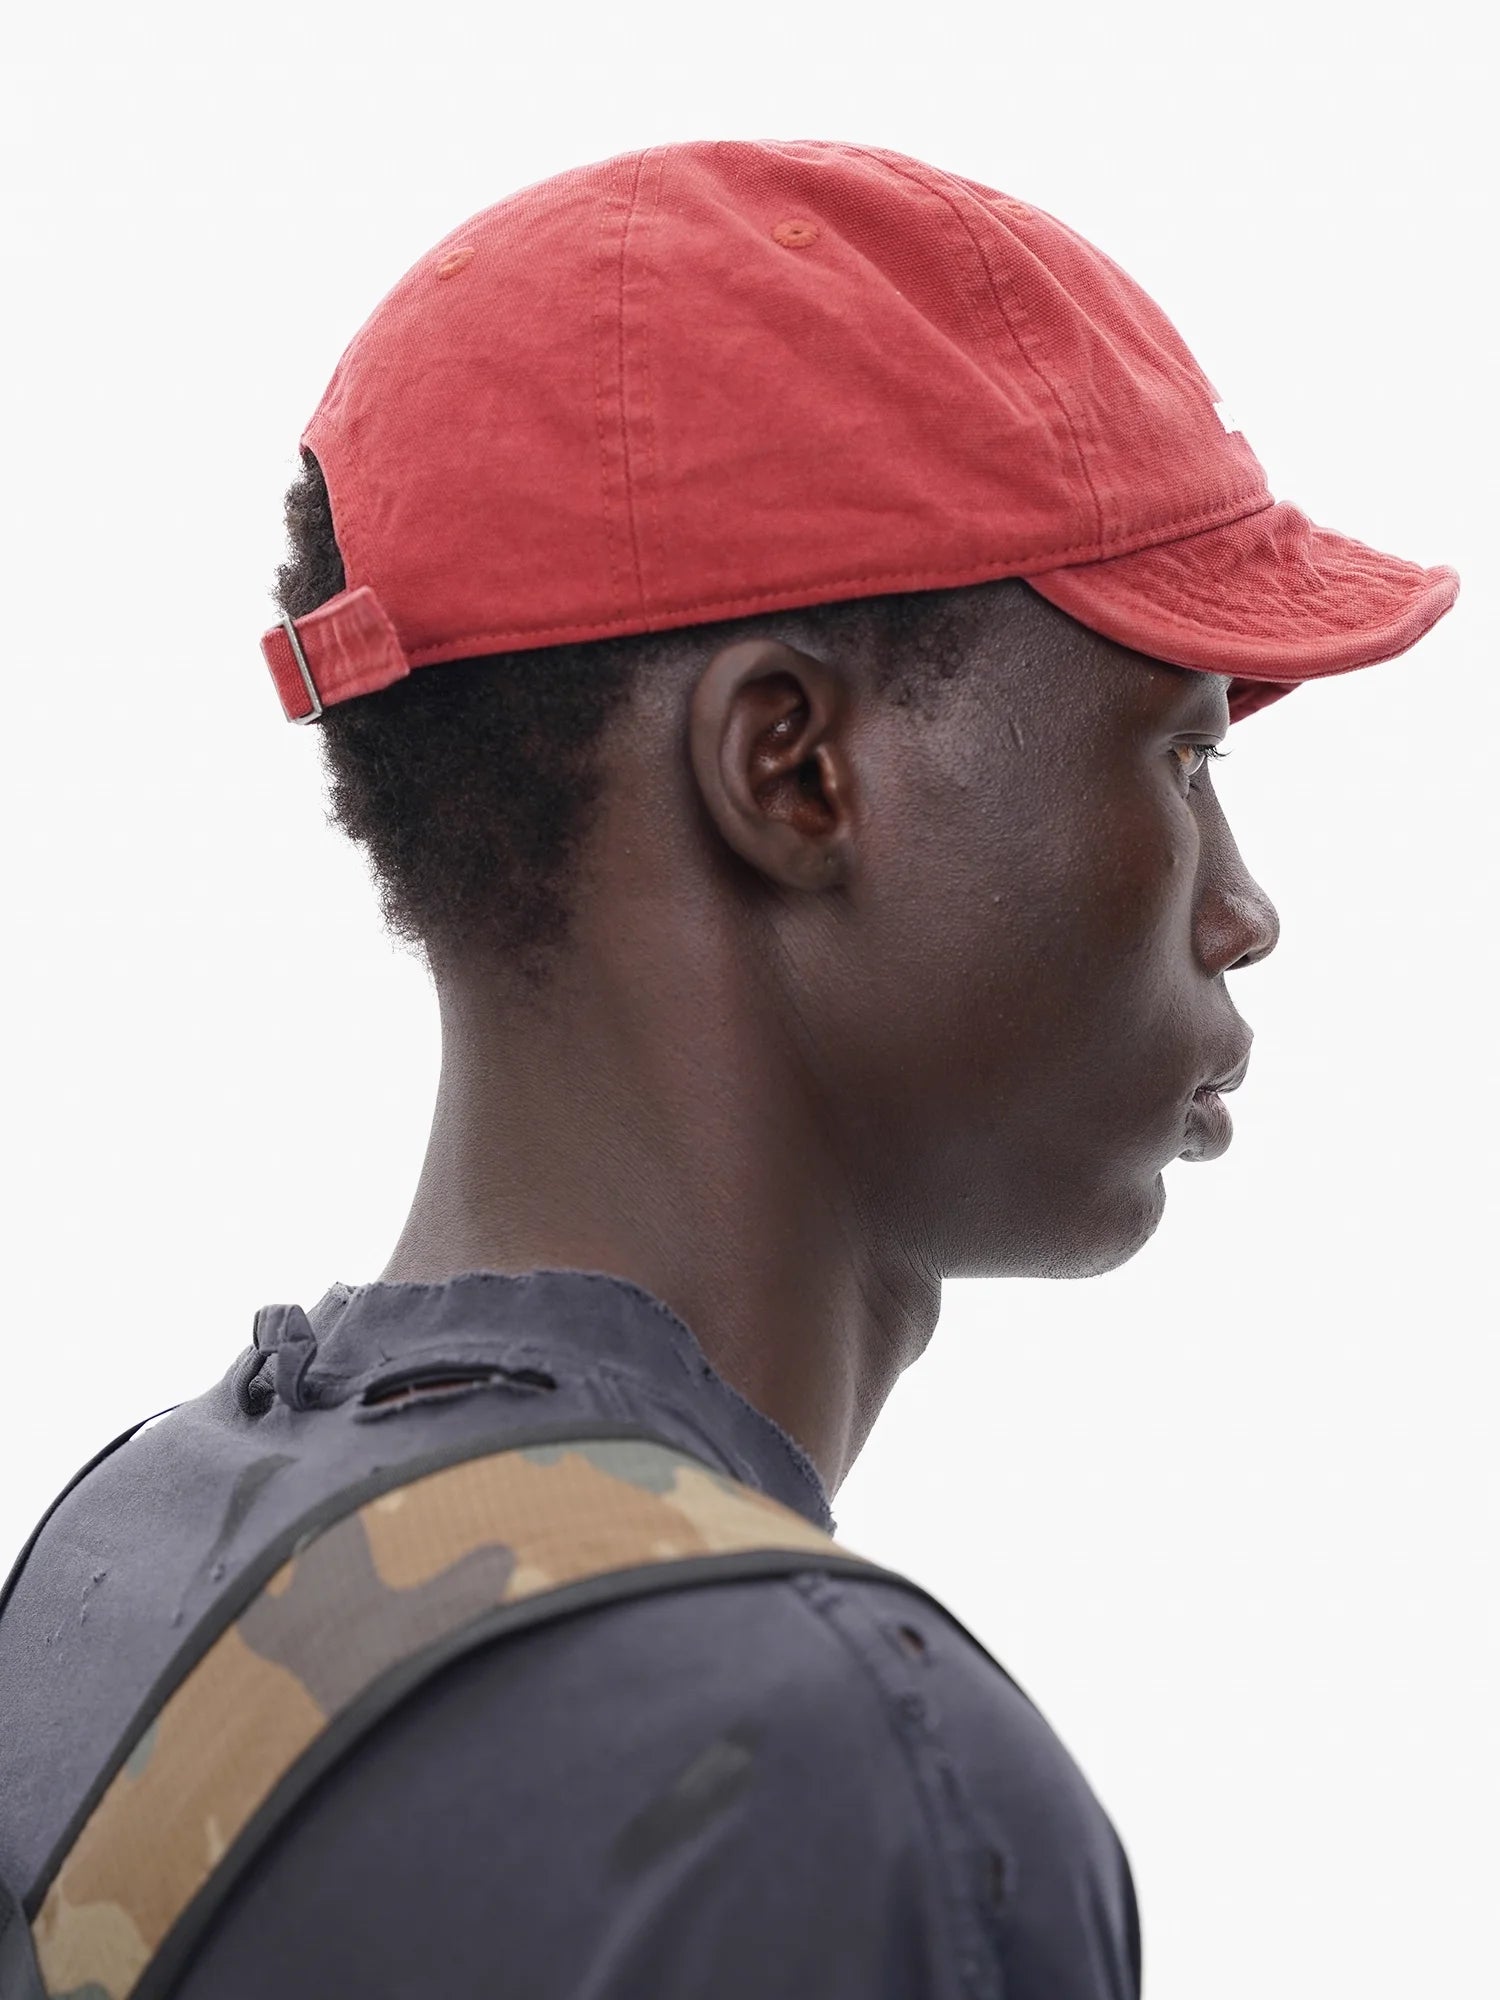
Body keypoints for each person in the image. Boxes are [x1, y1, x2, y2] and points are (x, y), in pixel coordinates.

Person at [0, 139, 1458, 2000]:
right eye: (1185, 754)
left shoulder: (110, 1561)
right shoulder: (839, 1780)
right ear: (795, 771)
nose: (1244, 911)